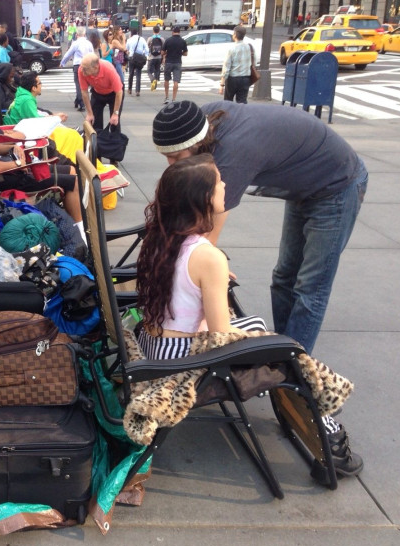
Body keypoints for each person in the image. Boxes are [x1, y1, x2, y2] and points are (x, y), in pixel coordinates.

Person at [149, 100, 366, 476]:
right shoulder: (193, 124)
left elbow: (203, 235)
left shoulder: (229, 158)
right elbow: (205, 255)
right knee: (284, 277)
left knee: (309, 288)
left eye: (176, 158)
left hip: (336, 185)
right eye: (166, 158)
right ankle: (290, 365)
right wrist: (210, 273)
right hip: (306, 187)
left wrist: (207, 271)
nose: (172, 165)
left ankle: (293, 375)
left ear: (198, 144)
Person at [136, 154, 269, 362]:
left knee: (255, 326)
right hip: (180, 356)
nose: (224, 184)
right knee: (268, 337)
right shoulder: (208, 257)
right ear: (204, 196)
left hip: (153, 343)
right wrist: (266, 340)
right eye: (218, 181)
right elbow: (221, 333)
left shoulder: (160, 237)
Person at [0, 93, 83, 233]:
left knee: (70, 169)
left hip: (15, 171)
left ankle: (74, 220)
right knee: (73, 181)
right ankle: (80, 231)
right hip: (10, 179)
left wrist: (11, 148)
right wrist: (17, 164)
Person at [78, 53, 124, 132]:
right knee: (94, 122)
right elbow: (84, 92)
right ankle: (98, 142)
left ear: (95, 67)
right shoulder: (81, 70)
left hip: (114, 94)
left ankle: (115, 142)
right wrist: (89, 113)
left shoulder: (108, 69)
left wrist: (115, 113)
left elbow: (119, 93)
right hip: (97, 92)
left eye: (85, 68)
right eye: (82, 67)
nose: (82, 70)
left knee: (114, 122)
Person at [60, 26, 94, 111]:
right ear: (84, 34)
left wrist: (63, 62)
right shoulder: (88, 43)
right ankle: (77, 100)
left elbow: (69, 53)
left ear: (77, 34)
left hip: (78, 65)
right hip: (87, 65)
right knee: (85, 84)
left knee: (78, 84)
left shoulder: (75, 43)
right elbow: (92, 54)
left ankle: (81, 103)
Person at [219, 26, 252, 104]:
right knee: (242, 102)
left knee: (228, 101)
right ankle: (242, 115)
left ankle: (229, 116)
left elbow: (226, 67)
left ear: (235, 35)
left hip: (232, 79)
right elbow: (253, 62)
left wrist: (222, 84)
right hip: (245, 78)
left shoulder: (232, 49)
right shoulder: (249, 47)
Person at [161, 26, 187, 103]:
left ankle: (166, 97)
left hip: (168, 62)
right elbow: (186, 53)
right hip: (178, 62)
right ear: (179, 32)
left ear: (172, 32)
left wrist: (167, 52)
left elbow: (162, 52)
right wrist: (180, 53)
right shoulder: (182, 41)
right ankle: (174, 99)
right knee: (176, 81)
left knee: (167, 79)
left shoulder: (168, 40)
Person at [125, 28, 148, 97]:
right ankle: (138, 90)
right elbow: (146, 49)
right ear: (137, 33)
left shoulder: (129, 40)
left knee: (131, 74)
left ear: (131, 33)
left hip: (132, 58)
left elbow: (127, 49)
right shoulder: (142, 39)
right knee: (138, 74)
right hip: (139, 58)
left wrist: (129, 54)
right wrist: (144, 55)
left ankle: (129, 89)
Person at [147, 25, 164, 91]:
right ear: (159, 31)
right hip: (159, 57)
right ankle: (155, 87)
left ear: (153, 31)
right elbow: (163, 48)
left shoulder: (150, 38)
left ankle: (152, 79)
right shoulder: (162, 39)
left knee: (149, 71)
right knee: (157, 70)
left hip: (151, 57)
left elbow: (147, 46)